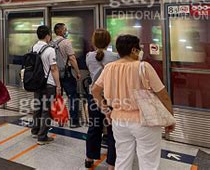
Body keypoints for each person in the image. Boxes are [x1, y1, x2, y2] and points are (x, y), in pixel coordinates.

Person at [92, 35, 175, 170]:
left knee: (122, 158)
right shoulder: (144, 67)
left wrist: (106, 111)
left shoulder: (109, 67)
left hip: (118, 121)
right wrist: (170, 118)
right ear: (133, 50)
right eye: (139, 48)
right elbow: (163, 95)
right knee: (148, 161)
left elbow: (95, 91)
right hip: (145, 120)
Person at [85, 29, 118, 169]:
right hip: (111, 97)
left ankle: (89, 158)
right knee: (113, 130)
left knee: (94, 127)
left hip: (94, 97)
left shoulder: (88, 56)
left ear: (94, 41)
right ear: (109, 41)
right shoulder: (115, 57)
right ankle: (111, 164)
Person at [31, 25, 61, 145]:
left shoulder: (33, 47)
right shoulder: (50, 50)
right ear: (47, 36)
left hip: (37, 83)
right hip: (48, 84)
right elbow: (54, 69)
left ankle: (35, 130)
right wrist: (58, 85)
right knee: (46, 110)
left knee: (37, 107)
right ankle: (42, 137)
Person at [53, 23, 81, 128]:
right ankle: (74, 121)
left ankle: (61, 120)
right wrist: (77, 72)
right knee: (73, 96)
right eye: (65, 29)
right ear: (61, 31)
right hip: (66, 73)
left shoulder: (51, 43)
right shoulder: (66, 42)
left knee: (58, 97)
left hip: (55, 73)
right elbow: (72, 58)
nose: (66, 31)